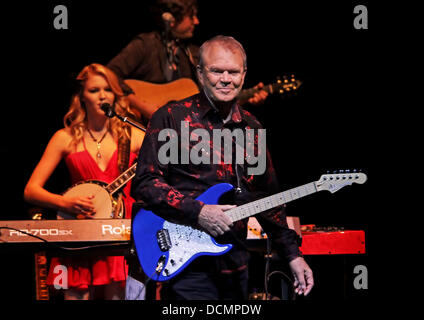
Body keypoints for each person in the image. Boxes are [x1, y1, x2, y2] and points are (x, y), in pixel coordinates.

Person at [130, 35, 313, 300]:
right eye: (217, 71)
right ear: (201, 73)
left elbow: (267, 200)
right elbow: (145, 182)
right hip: (186, 262)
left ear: (244, 74)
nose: (226, 78)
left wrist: (293, 256)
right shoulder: (171, 117)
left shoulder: (252, 128)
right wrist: (199, 212)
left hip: (237, 262)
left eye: (233, 71)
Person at [23, 63, 145, 300]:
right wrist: (64, 204)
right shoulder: (65, 138)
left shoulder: (133, 135)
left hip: (118, 234)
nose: (102, 96)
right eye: (94, 90)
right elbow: (31, 190)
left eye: (108, 90)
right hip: (78, 231)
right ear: (81, 96)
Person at [107, 0, 268, 120]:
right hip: (141, 130)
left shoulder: (194, 54)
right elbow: (108, 75)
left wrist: (245, 98)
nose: (196, 21)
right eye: (191, 16)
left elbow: (209, 103)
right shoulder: (145, 45)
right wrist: (143, 106)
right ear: (172, 19)